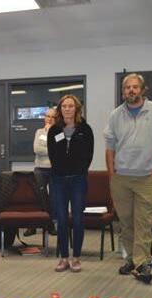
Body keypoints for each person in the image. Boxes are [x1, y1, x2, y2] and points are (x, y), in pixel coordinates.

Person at [104, 73, 152, 284]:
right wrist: (112, 173)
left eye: (135, 87)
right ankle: (131, 260)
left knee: (143, 223)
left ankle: (143, 264)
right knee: (126, 223)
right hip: (121, 178)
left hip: (146, 178)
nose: (131, 90)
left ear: (143, 90)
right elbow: (110, 146)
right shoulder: (115, 115)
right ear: (123, 92)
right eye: (127, 87)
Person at [47, 95, 94, 272]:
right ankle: (64, 257)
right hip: (58, 180)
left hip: (78, 180)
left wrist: (78, 170)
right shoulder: (54, 130)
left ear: (77, 108)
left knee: (78, 219)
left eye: (71, 106)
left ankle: (76, 257)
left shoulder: (85, 129)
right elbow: (52, 155)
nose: (67, 109)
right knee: (61, 219)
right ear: (60, 109)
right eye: (64, 106)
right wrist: (61, 170)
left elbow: (89, 155)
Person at [26, 107, 58, 237]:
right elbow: (36, 149)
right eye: (47, 116)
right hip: (40, 168)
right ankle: (33, 225)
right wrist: (51, 149)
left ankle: (50, 225)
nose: (50, 119)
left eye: (53, 117)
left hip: (55, 169)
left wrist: (50, 135)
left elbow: (58, 150)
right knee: (37, 196)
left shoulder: (60, 133)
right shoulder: (39, 132)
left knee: (54, 198)